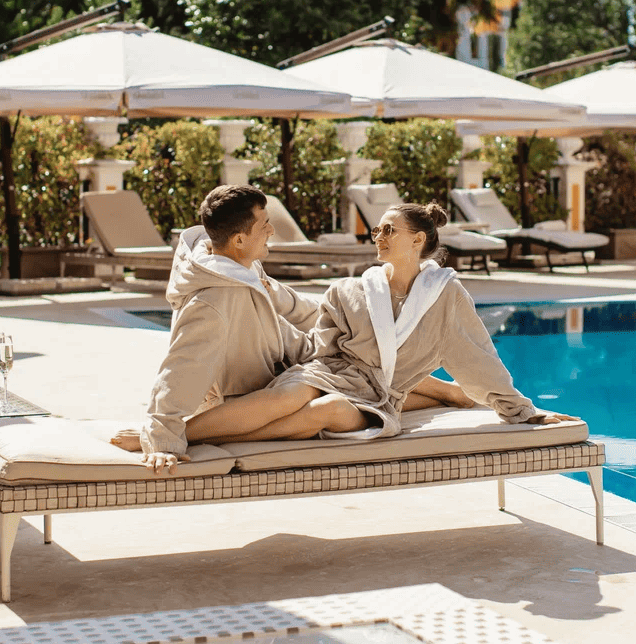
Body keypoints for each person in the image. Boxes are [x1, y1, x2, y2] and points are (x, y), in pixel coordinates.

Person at [149, 201, 576, 464]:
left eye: (389, 230)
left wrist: (520, 410)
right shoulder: (351, 289)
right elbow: (319, 347)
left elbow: (478, 356)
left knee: (329, 411)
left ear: (418, 240)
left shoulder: (445, 297)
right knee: (287, 396)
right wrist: (264, 309)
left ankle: (190, 434)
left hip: (378, 396)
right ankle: (169, 436)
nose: (379, 236)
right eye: (377, 230)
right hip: (326, 370)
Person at [115, 185, 470, 473]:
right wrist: (161, 435)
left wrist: (350, 321)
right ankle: (449, 393)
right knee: (327, 389)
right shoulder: (214, 298)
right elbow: (182, 365)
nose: (272, 230)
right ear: (239, 240)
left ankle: (450, 393)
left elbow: (298, 309)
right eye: (264, 225)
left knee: (360, 352)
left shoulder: (243, 268)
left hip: (287, 368)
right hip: (252, 400)